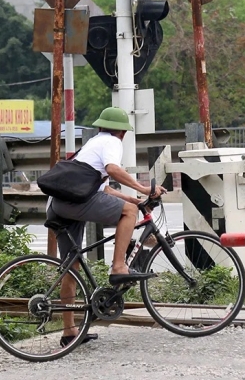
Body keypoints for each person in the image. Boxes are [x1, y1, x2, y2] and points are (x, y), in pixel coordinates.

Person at [45, 106, 167, 347]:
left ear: (101, 126)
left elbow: (105, 189)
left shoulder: (91, 146)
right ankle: (119, 267)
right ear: (122, 132)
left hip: (59, 205)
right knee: (129, 214)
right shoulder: (112, 142)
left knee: (72, 266)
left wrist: (134, 199)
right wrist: (144, 189)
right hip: (74, 204)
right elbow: (112, 169)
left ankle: (69, 332)